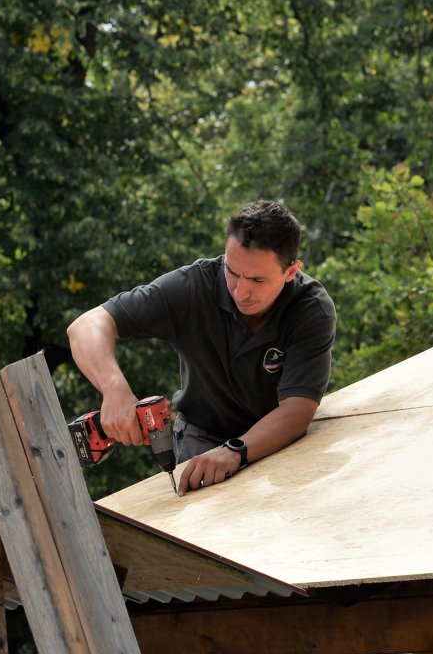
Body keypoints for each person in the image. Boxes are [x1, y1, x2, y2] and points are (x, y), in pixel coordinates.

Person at [66, 199, 336, 496]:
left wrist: (234, 451)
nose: (241, 291)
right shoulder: (193, 287)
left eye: (258, 279)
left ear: (290, 271)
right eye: (232, 272)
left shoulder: (311, 309)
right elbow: (86, 325)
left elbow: (296, 412)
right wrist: (114, 388)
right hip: (202, 437)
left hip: (277, 438)